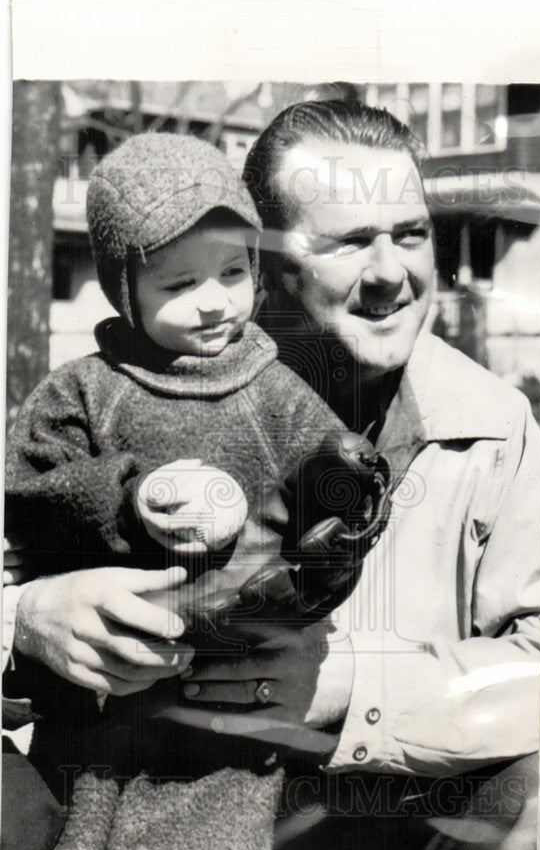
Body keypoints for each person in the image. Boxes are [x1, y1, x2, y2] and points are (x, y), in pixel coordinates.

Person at [3, 103, 540, 850]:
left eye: (411, 233)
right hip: (128, 796)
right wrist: (29, 623)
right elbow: (30, 513)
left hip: (373, 839)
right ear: (268, 259)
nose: (392, 272)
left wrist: (349, 688)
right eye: (348, 241)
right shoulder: (113, 390)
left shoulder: (494, 427)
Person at [3, 130, 347, 808]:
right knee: (75, 823)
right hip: (97, 681)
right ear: (123, 290)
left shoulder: (276, 391)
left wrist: (341, 511)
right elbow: (30, 489)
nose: (215, 300)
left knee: (217, 831)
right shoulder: (85, 390)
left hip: (235, 692)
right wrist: (128, 497)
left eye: (232, 272)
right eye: (180, 283)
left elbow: (330, 489)